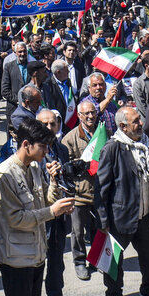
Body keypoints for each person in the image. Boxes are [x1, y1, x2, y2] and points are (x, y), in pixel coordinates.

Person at [0, 119, 75, 296]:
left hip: (36, 255)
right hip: (16, 260)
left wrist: (54, 182)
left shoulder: (35, 166)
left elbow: (47, 200)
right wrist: (53, 211)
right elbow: (16, 219)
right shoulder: (4, 175)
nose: (47, 152)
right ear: (26, 144)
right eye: (43, 146)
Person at [94, 106, 149, 296]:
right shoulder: (112, 148)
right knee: (114, 263)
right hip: (119, 218)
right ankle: (114, 292)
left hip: (144, 217)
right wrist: (103, 222)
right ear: (123, 126)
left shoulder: (144, 145)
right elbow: (101, 189)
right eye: (136, 121)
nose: (141, 124)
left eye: (140, 119)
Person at [61, 100, 100, 281]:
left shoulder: (103, 133)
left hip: (100, 191)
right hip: (80, 194)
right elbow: (64, 168)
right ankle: (79, 261)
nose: (91, 116)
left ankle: (97, 259)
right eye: (86, 114)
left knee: (100, 229)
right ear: (79, 116)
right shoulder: (69, 138)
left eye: (93, 112)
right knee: (77, 231)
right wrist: (78, 165)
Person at [36, 109, 71, 296]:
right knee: (37, 263)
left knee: (56, 263)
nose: (49, 128)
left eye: (53, 123)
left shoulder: (62, 149)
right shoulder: (29, 150)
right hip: (38, 214)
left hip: (58, 217)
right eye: (44, 124)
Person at [1, 41, 30, 119]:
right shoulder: (9, 67)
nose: (23, 54)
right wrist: (19, 100)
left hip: (30, 110)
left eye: (24, 51)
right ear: (15, 52)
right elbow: (5, 90)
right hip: (13, 109)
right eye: (20, 52)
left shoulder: (32, 66)